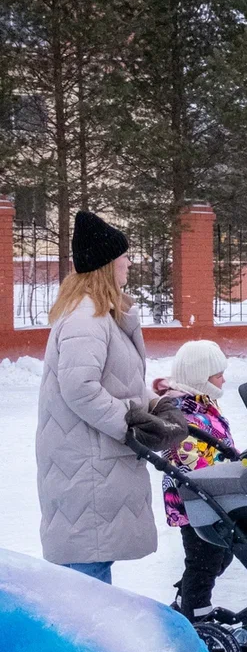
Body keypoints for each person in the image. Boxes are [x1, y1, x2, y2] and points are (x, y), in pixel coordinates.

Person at [36, 211, 187, 584]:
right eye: (124, 256)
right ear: (106, 264)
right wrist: (131, 424)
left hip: (93, 462)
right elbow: (80, 388)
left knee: (91, 567)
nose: (130, 262)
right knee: (87, 574)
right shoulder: (86, 318)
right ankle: (88, 644)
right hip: (86, 466)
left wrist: (153, 402)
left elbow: (111, 382)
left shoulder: (102, 314)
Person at [153, 340, 237, 618]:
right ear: (200, 377)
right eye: (217, 375)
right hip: (194, 501)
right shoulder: (182, 413)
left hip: (210, 497)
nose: (223, 379)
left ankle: (185, 598)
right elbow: (192, 461)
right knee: (204, 560)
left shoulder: (202, 405)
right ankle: (195, 612)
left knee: (221, 554)